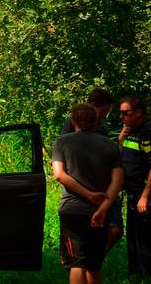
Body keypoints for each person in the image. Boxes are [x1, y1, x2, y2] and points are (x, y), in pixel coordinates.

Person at [52, 102, 124, 284]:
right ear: (96, 121)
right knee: (93, 264)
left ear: (73, 120)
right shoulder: (111, 146)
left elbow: (59, 175)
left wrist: (87, 194)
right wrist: (103, 208)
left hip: (72, 210)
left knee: (77, 262)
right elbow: (117, 181)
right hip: (100, 210)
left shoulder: (62, 142)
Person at [61, 89, 124, 252]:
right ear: (92, 105)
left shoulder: (101, 125)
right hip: (81, 190)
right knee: (84, 239)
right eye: (103, 111)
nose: (103, 116)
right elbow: (63, 167)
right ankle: (85, 259)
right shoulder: (70, 128)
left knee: (115, 230)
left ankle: (94, 258)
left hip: (105, 187)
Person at [118, 95, 151, 281]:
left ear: (139, 113)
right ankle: (137, 277)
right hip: (133, 196)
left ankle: (150, 277)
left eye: (125, 113)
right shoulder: (131, 133)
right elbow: (125, 158)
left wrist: (145, 196)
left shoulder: (149, 133)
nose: (122, 117)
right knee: (134, 242)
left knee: (148, 245)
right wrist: (120, 139)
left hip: (147, 198)